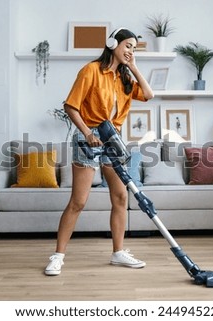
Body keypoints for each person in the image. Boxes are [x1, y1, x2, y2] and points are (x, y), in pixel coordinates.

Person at [45, 28, 154, 276]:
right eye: (127, 45)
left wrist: (134, 67)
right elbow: (70, 106)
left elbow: (148, 94)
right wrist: (87, 133)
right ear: (112, 43)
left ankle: (118, 253)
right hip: (89, 137)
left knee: (120, 197)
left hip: (113, 138)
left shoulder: (125, 79)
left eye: (134, 48)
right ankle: (58, 256)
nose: (130, 51)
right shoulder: (91, 70)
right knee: (78, 202)